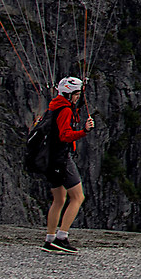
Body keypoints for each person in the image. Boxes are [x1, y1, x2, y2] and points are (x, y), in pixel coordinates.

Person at [40, 77, 94, 253]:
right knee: (78, 197)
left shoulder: (54, 106)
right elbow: (65, 135)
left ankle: (50, 239)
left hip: (49, 158)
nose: (78, 97)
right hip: (61, 158)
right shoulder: (64, 111)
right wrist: (84, 131)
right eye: (76, 94)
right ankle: (62, 237)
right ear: (69, 94)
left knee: (59, 199)